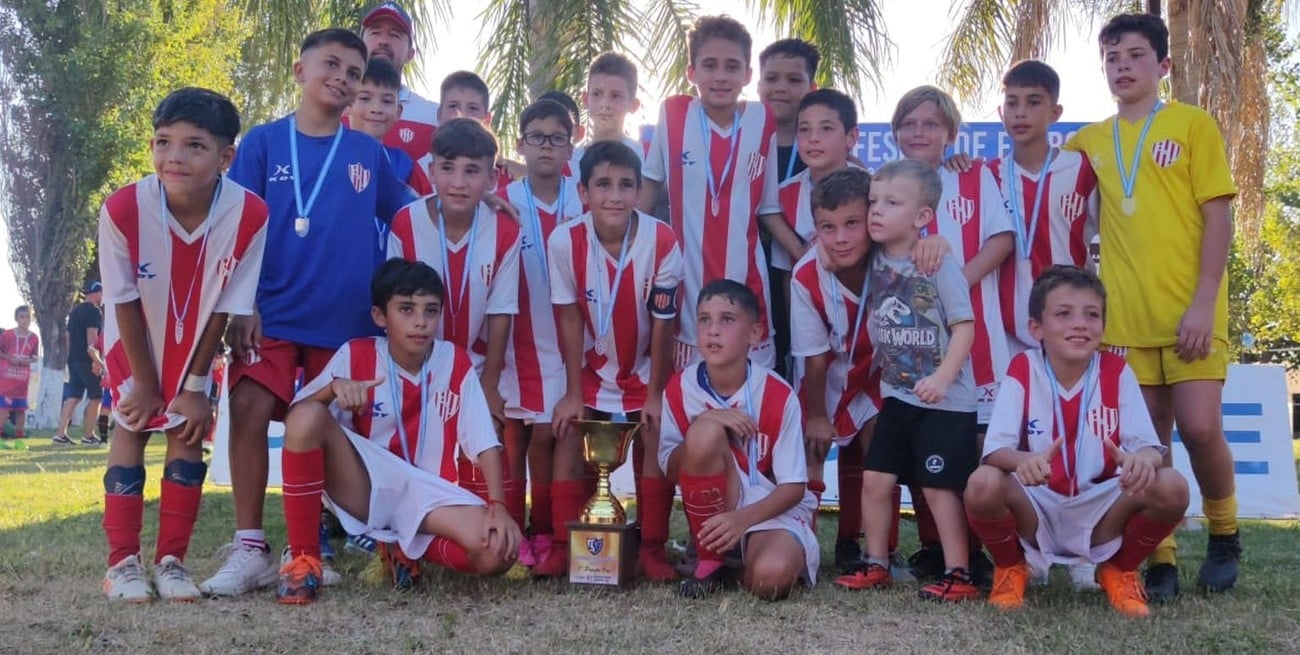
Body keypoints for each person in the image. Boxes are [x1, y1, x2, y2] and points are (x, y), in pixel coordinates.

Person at [205, 28, 415, 598]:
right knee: (248, 405)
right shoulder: (263, 143)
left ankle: (321, 543)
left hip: (343, 321)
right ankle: (250, 546)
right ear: (300, 71)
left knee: (332, 427)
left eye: (354, 72)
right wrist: (243, 304)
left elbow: (411, 212)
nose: (342, 78)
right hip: (269, 314)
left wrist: (481, 200)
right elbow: (237, 228)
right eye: (332, 65)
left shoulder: (367, 153)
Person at [1065, 13, 1240, 600]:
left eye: (1135, 56)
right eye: (1112, 59)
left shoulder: (1192, 125)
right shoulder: (1089, 141)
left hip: (1192, 311)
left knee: (1200, 427)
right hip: (1124, 320)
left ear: (1163, 65)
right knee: (1147, 445)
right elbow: (1032, 169)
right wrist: (961, 163)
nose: (1122, 68)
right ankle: (1160, 559)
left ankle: (1224, 534)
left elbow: (1218, 217)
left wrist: (1204, 303)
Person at [98, 87, 269, 602]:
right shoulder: (122, 208)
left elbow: (225, 305)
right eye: (163, 142)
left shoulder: (250, 214)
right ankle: (121, 564)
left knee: (187, 431)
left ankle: (171, 561)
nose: (174, 156)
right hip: (134, 338)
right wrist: (145, 382)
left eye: (194, 145)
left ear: (225, 157)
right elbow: (122, 298)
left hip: (196, 343)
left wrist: (195, 386)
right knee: (131, 426)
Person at [277, 258, 520, 604]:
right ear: (380, 316)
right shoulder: (356, 354)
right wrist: (333, 389)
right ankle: (304, 561)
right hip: (366, 484)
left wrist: (498, 505)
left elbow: (484, 441)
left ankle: (403, 549)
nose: (420, 322)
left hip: (428, 492)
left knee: (498, 553)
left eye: (430, 311)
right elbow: (297, 421)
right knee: (308, 416)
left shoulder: (454, 360)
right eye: (406, 309)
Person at [966, 265, 1189, 616]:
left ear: (1103, 326)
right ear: (1036, 328)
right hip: (1037, 504)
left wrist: (1141, 460)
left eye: (1092, 314)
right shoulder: (1023, 368)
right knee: (983, 483)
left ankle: (1119, 569)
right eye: (1064, 314)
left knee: (1172, 485)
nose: (1080, 324)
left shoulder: (1116, 370)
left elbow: (1149, 447)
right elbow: (995, 450)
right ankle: (1011, 568)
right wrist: (1024, 461)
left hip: (1101, 508)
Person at [534, 140, 683, 579]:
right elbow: (569, 317)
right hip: (593, 372)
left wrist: (655, 394)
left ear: (639, 191)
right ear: (583, 192)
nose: (614, 196)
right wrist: (572, 393)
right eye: (603, 184)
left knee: (655, 431)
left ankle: (652, 547)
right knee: (566, 430)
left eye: (625, 185)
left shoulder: (662, 238)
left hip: (646, 369)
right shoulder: (564, 240)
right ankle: (563, 546)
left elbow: (664, 324)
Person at [891, 85, 1014, 582]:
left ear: (950, 133)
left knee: (977, 445)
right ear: (896, 133)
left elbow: (1001, 240)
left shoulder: (974, 176)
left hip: (975, 337)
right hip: (913, 342)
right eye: (909, 124)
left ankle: (980, 551)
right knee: (923, 439)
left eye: (931, 124)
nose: (919, 132)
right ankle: (933, 546)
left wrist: (953, 287)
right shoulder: (887, 185)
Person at [848, 159, 979, 602]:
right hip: (897, 397)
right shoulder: (872, 257)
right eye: (873, 202)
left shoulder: (938, 263)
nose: (876, 211)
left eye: (891, 203)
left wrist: (942, 378)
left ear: (922, 216)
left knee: (938, 488)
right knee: (875, 479)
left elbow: (964, 327)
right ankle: (876, 563)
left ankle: (958, 573)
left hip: (945, 402)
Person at [387, 117, 522, 540]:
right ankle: (394, 537)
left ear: (492, 178)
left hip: (476, 366)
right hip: (418, 361)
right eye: (447, 168)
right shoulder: (406, 222)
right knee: (410, 446)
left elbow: (501, 311)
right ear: (431, 171)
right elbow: (395, 303)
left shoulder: (504, 229)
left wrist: (490, 384)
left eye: (472, 170)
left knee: (494, 436)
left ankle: (497, 524)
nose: (459, 182)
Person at [639, 15, 780, 372]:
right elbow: (649, 186)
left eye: (732, 67)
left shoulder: (763, 120)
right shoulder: (673, 113)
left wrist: (810, 254)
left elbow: (769, 208)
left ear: (747, 75)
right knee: (690, 399)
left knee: (751, 399)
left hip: (748, 287)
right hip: (686, 291)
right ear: (692, 72)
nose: (720, 76)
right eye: (709, 65)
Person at [661, 279, 816, 599]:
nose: (713, 331)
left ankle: (740, 566)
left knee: (771, 580)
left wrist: (741, 520)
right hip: (716, 513)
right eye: (704, 319)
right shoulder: (679, 387)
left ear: (754, 334)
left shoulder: (778, 394)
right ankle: (710, 560)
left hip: (768, 515)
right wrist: (706, 421)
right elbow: (670, 470)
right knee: (704, 432)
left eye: (727, 320)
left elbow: (793, 487)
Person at [499, 99, 585, 566]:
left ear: (571, 147)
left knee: (555, 436)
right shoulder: (502, 200)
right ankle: (518, 532)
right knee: (517, 439)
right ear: (520, 144)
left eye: (556, 138)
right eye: (537, 137)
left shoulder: (584, 197)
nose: (546, 147)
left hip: (575, 341)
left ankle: (550, 529)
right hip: (519, 339)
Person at [989, 60, 1099, 355]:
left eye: (1034, 102)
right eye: (1012, 103)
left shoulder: (1082, 169)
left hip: (1071, 329)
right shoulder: (987, 176)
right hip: (1005, 333)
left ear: (1055, 112)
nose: (1020, 112)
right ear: (1001, 112)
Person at [356, 1, 439, 162]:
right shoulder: (334, 107)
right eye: (375, 33)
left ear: (410, 53)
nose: (383, 41)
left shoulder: (433, 117)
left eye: (394, 35)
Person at [343, 57, 433, 195]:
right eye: (365, 98)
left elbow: (423, 206)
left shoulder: (405, 166)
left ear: (398, 112)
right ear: (347, 104)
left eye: (386, 101)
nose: (376, 109)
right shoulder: (327, 157)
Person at [53, 281, 105, 446]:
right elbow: (92, 338)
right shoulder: (94, 311)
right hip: (88, 360)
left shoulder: (75, 311)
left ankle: (60, 434)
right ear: (97, 293)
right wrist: (97, 361)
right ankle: (88, 436)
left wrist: (72, 357)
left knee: (73, 397)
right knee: (96, 397)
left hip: (73, 359)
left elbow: (68, 337)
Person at [576, 52, 644, 165]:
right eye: (596, 94)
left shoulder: (644, 159)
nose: (604, 104)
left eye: (615, 96)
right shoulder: (570, 161)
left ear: (633, 105)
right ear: (585, 99)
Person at [0, 306, 39, 442]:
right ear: (16, 318)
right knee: (4, 407)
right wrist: (9, 358)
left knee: (21, 408)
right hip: (7, 378)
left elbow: (35, 357)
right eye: (22, 317)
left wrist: (26, 361)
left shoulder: (34, 337)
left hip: (22, 379)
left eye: (28, 317)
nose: (25, 320)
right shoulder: (7, 335)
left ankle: (19, 438)